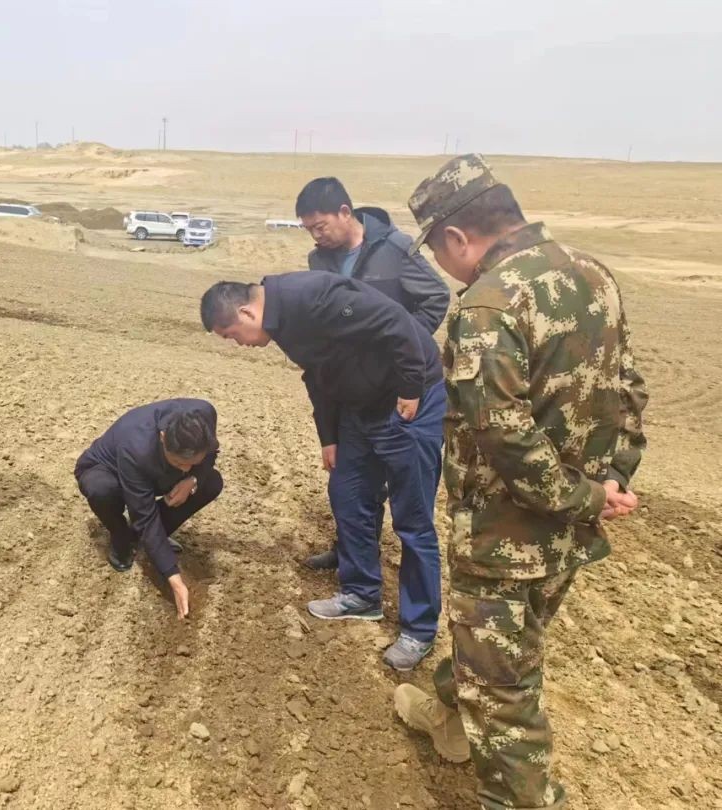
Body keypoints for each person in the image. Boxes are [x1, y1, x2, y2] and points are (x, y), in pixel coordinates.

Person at [392, 154, 647, 809]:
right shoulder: (593, 273)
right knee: (503, 648)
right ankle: (449, 717)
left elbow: (503, 433)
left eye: (436, 250)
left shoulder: (488, 303)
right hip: (570, 535)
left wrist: (584, 497)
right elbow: (628, 388)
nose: (442, 264)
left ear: (456, 237)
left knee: (504, 690)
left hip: (506, 539)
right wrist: (612, 480)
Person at [201, 272, 445, 670]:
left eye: (231, 335)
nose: (238, 344)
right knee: (348, 494)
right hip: (358, 406)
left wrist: (411, 387)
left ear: (246, 312)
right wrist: (328, 436)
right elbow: (318, 375)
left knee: (412, 518)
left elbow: (395, 321)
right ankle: (361, 594)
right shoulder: (280, 322)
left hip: (406, 401)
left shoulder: (311, 297)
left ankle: (418, 629)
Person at [296, 176, 450, 571]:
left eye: (320, 226)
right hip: (355, 386)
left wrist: (402, 348)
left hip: (400, 387)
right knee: (352, 483)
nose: (315, 236)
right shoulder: (319, 261)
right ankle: (350, 550)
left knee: (399, 484)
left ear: (344, 212)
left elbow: (435, 296)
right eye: (308, 229)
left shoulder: (395, 249)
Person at [75, 400, 222, 620]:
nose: (186, 468)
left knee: (211, 482)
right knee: (101, 489)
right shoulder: (136, 445)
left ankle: (149, 538)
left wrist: (192, 479)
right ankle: (121, 536)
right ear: (163, 438)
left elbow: (210, 455)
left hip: (153, 471)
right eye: (180, 462)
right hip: (109, 471)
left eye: (192, 462)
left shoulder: (205, 415)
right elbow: (143, 513)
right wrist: (173, 576)